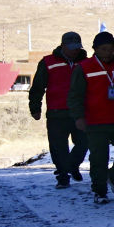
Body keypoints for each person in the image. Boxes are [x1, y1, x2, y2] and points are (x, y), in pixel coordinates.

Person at [67, 31, 114, 205]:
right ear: (95, 49)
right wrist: (79, 117)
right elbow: (75, 95)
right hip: (96, 121)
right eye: (103, 49)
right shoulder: (84, 67)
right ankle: (99, 191)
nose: (107, 52)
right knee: (99, 157)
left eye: (110, 49)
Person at [29, 32, 89, 189]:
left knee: (84, 142)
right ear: (62, 46)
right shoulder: (48, 62)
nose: (75, 51)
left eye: (77, 47)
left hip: (81, 112)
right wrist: (35, 107)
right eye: (71, 48)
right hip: (57, 112)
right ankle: (63, 176)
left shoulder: (87, 63)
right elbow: (38, 87)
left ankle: (72, 165)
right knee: (58, 146)